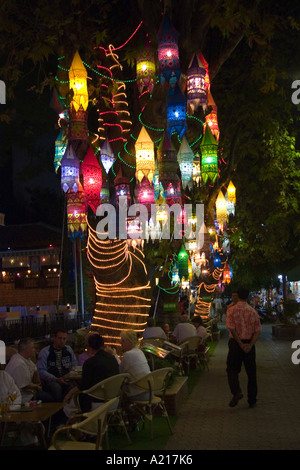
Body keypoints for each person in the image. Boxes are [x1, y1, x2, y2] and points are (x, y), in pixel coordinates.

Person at [63, 333, 119, 415]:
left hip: (98, 402)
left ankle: (76, 425)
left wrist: (69, 394)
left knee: (69, 406)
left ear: (89, 346)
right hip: (114, 400)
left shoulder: (90, 363)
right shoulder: (112, 359)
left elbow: (83, 386)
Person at [225, 287, 262, 408]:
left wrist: (240, 344)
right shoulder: (252, 311)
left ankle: (236, 391)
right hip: (249, 343)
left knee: (232, 369)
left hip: (236, 343)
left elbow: (231, 328)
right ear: (247, 296)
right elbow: (257, 330)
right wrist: (250, 344)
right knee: (251, 372)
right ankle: (252, 400)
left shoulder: (231, 310)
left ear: (237, 296)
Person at [5, 337, 53, 403]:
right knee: (51, 399)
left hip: (29, 391)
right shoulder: (19, 363)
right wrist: (37, 386)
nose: (35, 350)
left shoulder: (26, 359)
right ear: (26, 349)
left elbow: (35, 370)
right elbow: (24, 386)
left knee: (53, 389)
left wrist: (38, 383)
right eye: (32, 347)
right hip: (21, 396)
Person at [37, 329, 78, 402]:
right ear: (55, 338)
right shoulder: (45, 352)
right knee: (56, 388)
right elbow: (40, 370)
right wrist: (55, 379)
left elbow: (74, 364)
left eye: (64, 339)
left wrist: (71, 375)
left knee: (72, 388)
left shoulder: (68, 350)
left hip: (67, 378)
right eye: (60, 338)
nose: (62, 341)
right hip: (51, 380)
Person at [0, 370, 38, 447]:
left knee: (29, 422)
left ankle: (32, 445)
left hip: (9, 413)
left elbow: (16, 394)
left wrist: (10, 408)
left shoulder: (4, 376)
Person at [119, 330, 151, 401]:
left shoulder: (128, 354)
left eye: (123, 340)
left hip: (138, 393)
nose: (120, 342)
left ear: (130, 342)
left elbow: (120, 373)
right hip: (150, 391)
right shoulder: (139, 352)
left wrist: (114, 355)